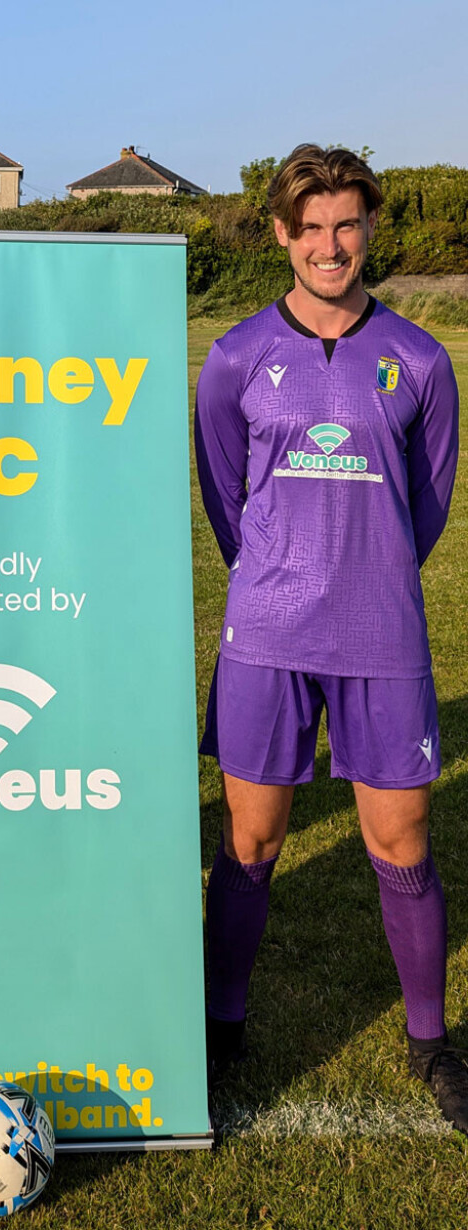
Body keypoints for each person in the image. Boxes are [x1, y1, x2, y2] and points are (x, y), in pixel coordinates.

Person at [194, 144, 465, 1128]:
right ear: (281, 233)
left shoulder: (421, 359)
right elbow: (225, 497)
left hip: (380, 635)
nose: (330, 245)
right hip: (266, 634)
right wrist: (281, 574)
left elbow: (426, 505)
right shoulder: (234, 358)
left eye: (346, 224)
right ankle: (220, 1030)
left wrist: (366, 573)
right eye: (310, 228)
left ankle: (431, 1043)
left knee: (401, 842)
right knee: (250, 840)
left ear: (369, 228)